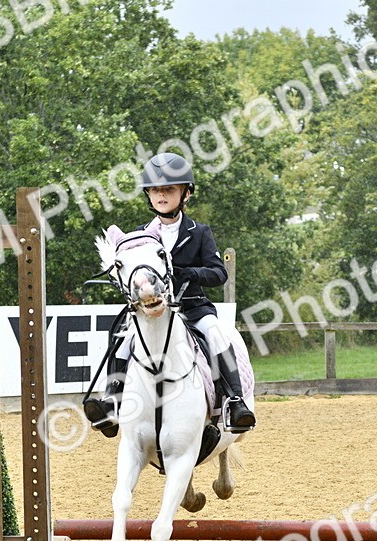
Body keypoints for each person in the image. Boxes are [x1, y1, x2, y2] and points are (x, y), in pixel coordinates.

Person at [83, 152, 256, 438]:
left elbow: (218, 272)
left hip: (192, 308)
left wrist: (190, 273)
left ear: (185, 194)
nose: (161, 195)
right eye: (155, 190)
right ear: (148, 196)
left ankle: (234, 402)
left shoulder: (199, 232)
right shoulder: (138, 236)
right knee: (122, 338)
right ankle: (112, 399)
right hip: (152, 310)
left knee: (215, 333)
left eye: (169, 189)